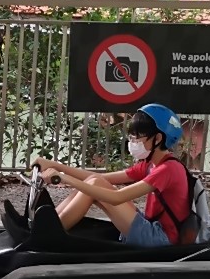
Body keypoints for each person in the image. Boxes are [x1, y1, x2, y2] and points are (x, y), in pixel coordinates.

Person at [36, 103, 189, 247]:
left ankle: (49, 234)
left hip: (161, 239)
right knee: (95, 180)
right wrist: (55, 165)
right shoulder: (151, 164)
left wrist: (63, 178)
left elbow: (117, 198)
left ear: (158, 138)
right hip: (151, 226)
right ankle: (50, 224)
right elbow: (97, 178)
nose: (134, 141)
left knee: (94, 183)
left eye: (139, 136)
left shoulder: (168, 169)